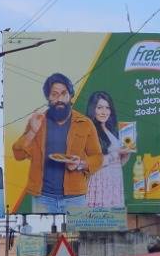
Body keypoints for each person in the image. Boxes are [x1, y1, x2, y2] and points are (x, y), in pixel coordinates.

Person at [11, 72, 103, 214]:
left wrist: (80, 164)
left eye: (64, 94)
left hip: (75, 198)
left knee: (77, 230)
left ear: (70, 96)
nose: (59, 99)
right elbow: (18, 154)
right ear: (48, 97)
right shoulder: (38, 122)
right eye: (54, 94)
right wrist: (32, 132)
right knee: (44, 231)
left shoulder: (85, 123)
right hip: (43, 198)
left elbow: (97, 157)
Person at [83, 90, 129, 210]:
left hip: (115, 182)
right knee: (99, 218)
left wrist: (125, 154)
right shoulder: (88, 130)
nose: (104, 112)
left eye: (107, 108)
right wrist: (116, 154)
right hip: (99, 183)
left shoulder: (112, 131)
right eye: (99, 108)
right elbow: (89, 163)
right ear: (92, 109)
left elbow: (118, 164)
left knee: (114, 218)